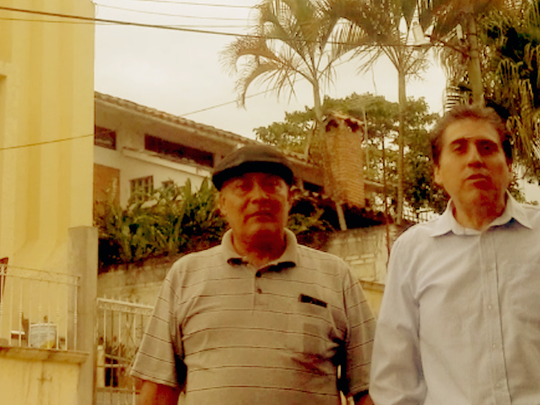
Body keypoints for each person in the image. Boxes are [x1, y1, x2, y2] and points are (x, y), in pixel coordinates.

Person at [371, 104, 540, 405]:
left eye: (487, 147)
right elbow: (396, 380)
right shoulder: (412, 252)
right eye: (459, 148)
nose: (474, 159)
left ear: (509, 164)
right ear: (437, 171)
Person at [131, 142, 376, 405]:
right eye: (243, 187)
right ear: (222, 204)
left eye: (271, 185)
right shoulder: (186, 276)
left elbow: (370, 387)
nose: (259, 197)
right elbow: (158, 391)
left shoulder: (336, 276)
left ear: (290, 199)